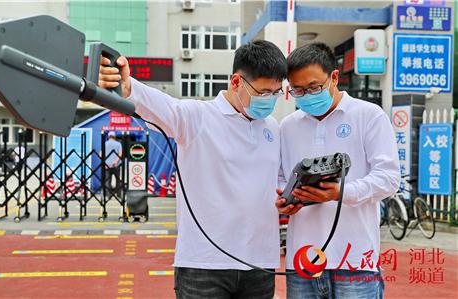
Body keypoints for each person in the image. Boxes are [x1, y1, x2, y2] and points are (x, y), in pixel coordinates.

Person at [99, 40, 288, 299]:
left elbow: (278, 179)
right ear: (235, 82)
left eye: (276, 93)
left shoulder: (273, 128)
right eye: (264, 93)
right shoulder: (197, 118)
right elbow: (160, 105)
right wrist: (126, 85)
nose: (270, 101)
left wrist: (288, 198)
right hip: (204, 265)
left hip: (260, 263)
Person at [276, 42, 400, 299]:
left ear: (334, 76)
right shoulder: (287, 126)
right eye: (297, 90)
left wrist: (340, 192)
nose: (306, 95)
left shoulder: (369, 116)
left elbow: (389, 178)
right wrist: (281, 200)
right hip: (303, 261)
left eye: (313, 87)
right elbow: (279, 177)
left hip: (355, 259)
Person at [100, 131, 122, 198]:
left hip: (107, 165)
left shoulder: (105, 144)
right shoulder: (118, 144)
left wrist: (105, 162)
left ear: (108, 136)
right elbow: (120, 153)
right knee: (118, 180)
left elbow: (100, 154)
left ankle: (108, 195)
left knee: (107, 180)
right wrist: (116, 161)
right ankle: (119, 195)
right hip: (116, 165)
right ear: (114, 137)